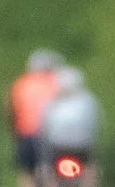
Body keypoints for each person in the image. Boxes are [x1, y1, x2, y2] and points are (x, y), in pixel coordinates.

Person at [7, 49, 72, 177]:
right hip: (54, 135)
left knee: (27, 172)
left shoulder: (21, 84)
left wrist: (14, 133)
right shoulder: (58, 82)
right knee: (54, 172)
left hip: (26, 133)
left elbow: (12, 111)